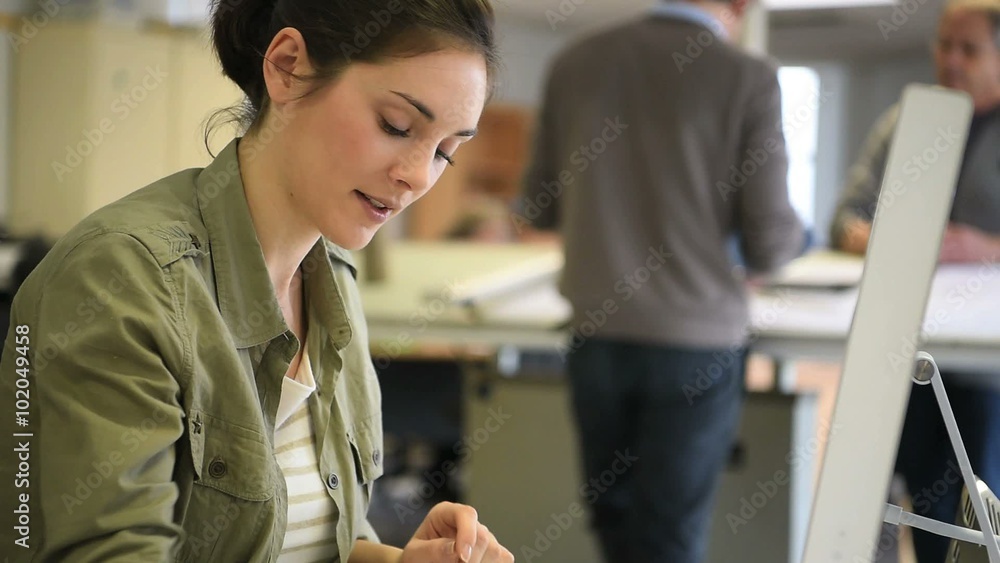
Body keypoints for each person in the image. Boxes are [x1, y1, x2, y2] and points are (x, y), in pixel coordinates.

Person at [0, 1, 515, 561]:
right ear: (288, 66)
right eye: (396, 125)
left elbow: (319, 540)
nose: (417, 176)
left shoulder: (333, 282)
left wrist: (393, 559)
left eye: (445, 152)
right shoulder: (121, 278)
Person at [516, 1, 806, 561]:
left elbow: (538, 206)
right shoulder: (748, 77)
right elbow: (770, 243)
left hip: (598, 332)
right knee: (669, 536)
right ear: (741, 6)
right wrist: (806, 236)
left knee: (614, 524)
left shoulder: (576, 61)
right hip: (694, 345)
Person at [831, 1, 1000, 560]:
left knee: (982, 498)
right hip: (907, 346)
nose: (950, 60)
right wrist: (889, 237)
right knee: (916, 493)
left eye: (968, 49)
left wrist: (986, 248)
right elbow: (846, 217)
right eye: (943, 45)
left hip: (987, 360)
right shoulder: (905, 120)